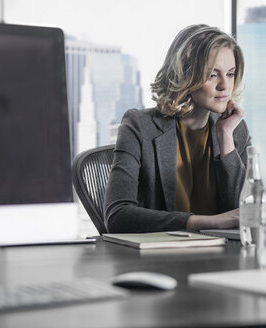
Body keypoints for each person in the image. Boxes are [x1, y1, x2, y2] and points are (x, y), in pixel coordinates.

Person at [104, 24, 251, 233]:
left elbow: (245, 212)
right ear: (185, 74)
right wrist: (207, 222)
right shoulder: (139, 125)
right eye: (212, 75)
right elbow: (117, 215)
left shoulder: (235, 128)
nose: (224, 86)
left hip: (223, 255)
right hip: (162, 258)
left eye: (230, 74)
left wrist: (225, 137)